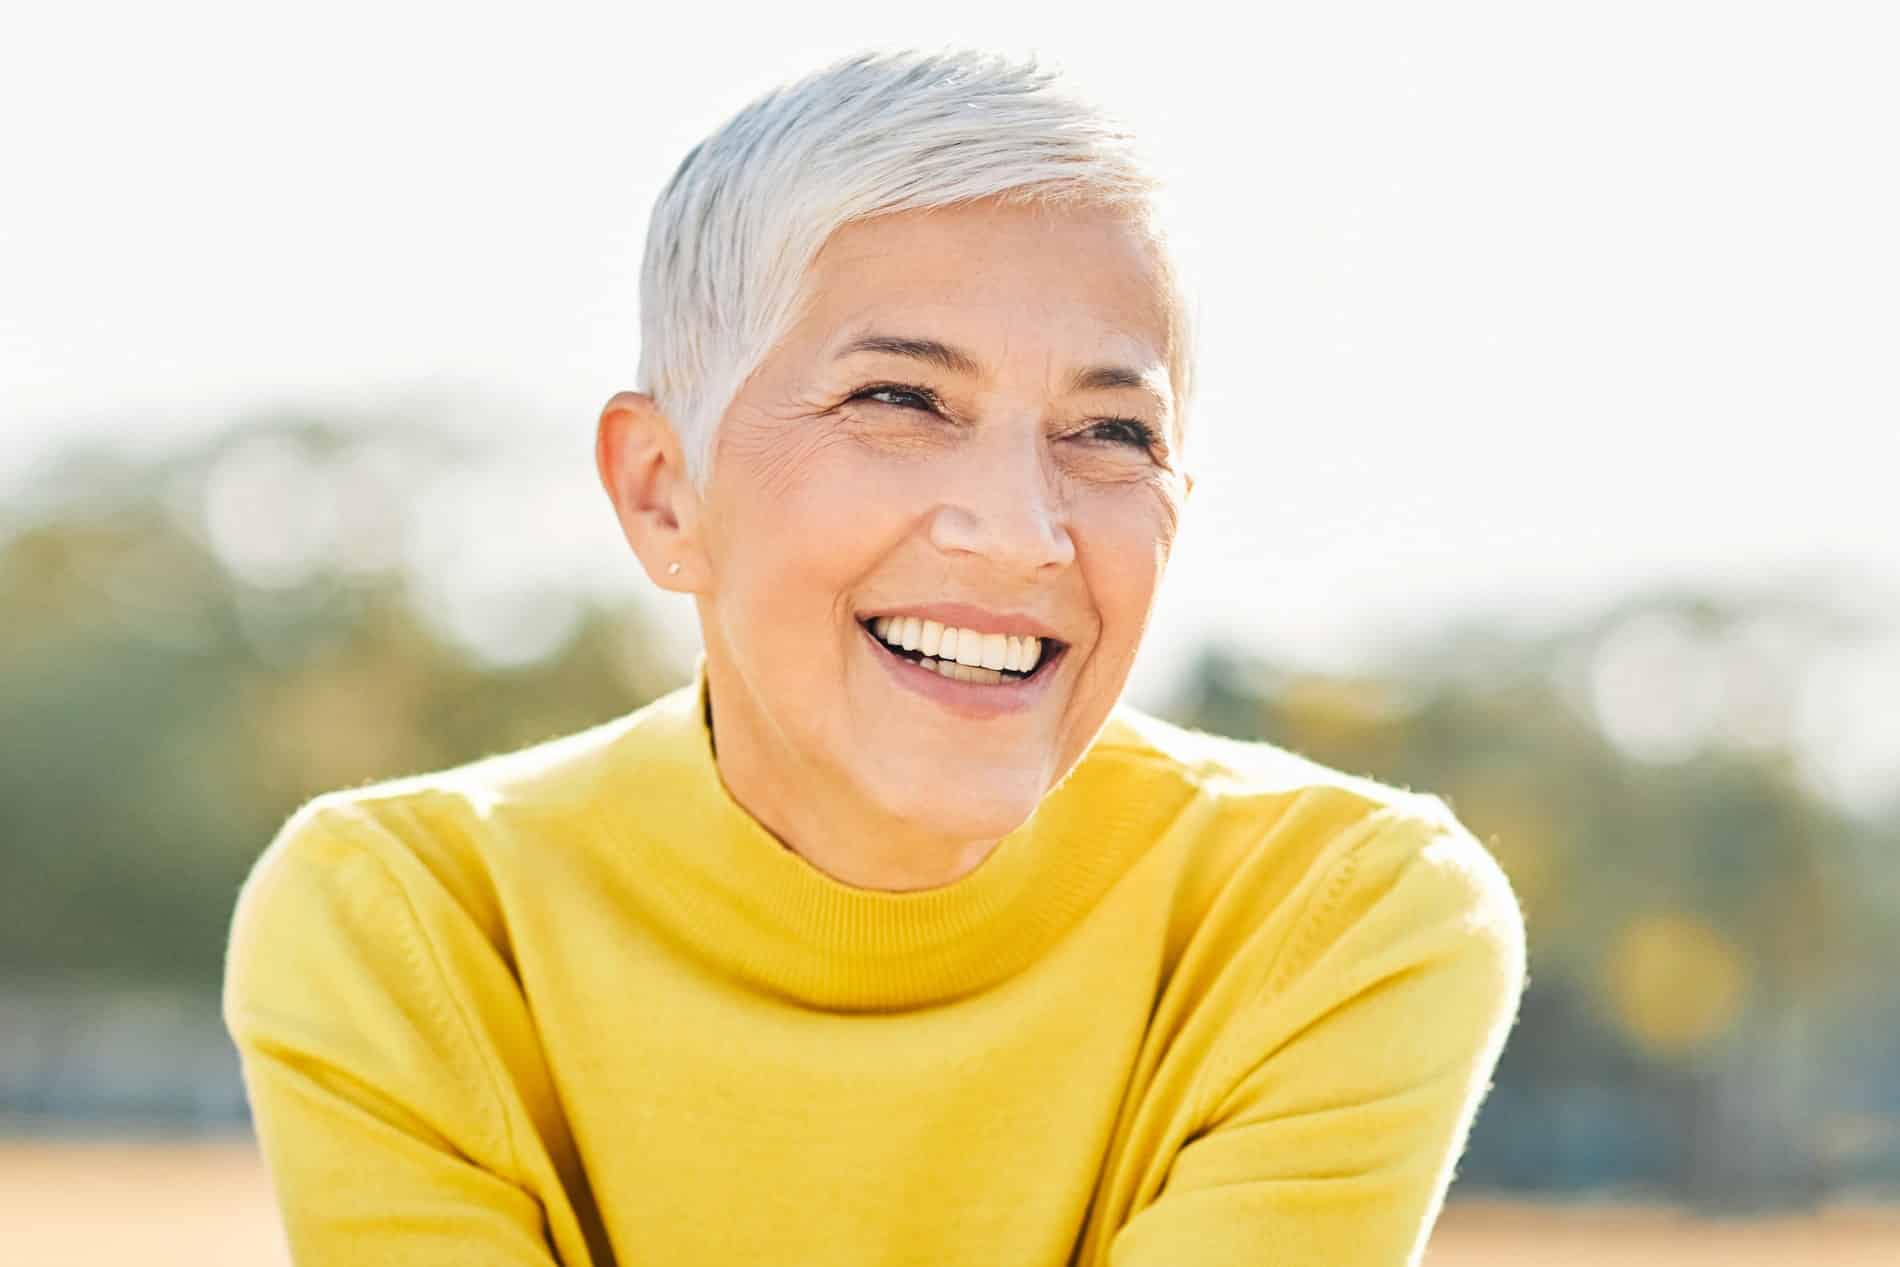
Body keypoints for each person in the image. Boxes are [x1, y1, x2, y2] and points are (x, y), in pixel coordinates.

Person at [222, 46, 1526, 1266]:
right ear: (665, 492)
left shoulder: (1340, 917)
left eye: (1112, 432)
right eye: (899, 400)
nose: (1021, 534)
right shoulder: (409, 925)